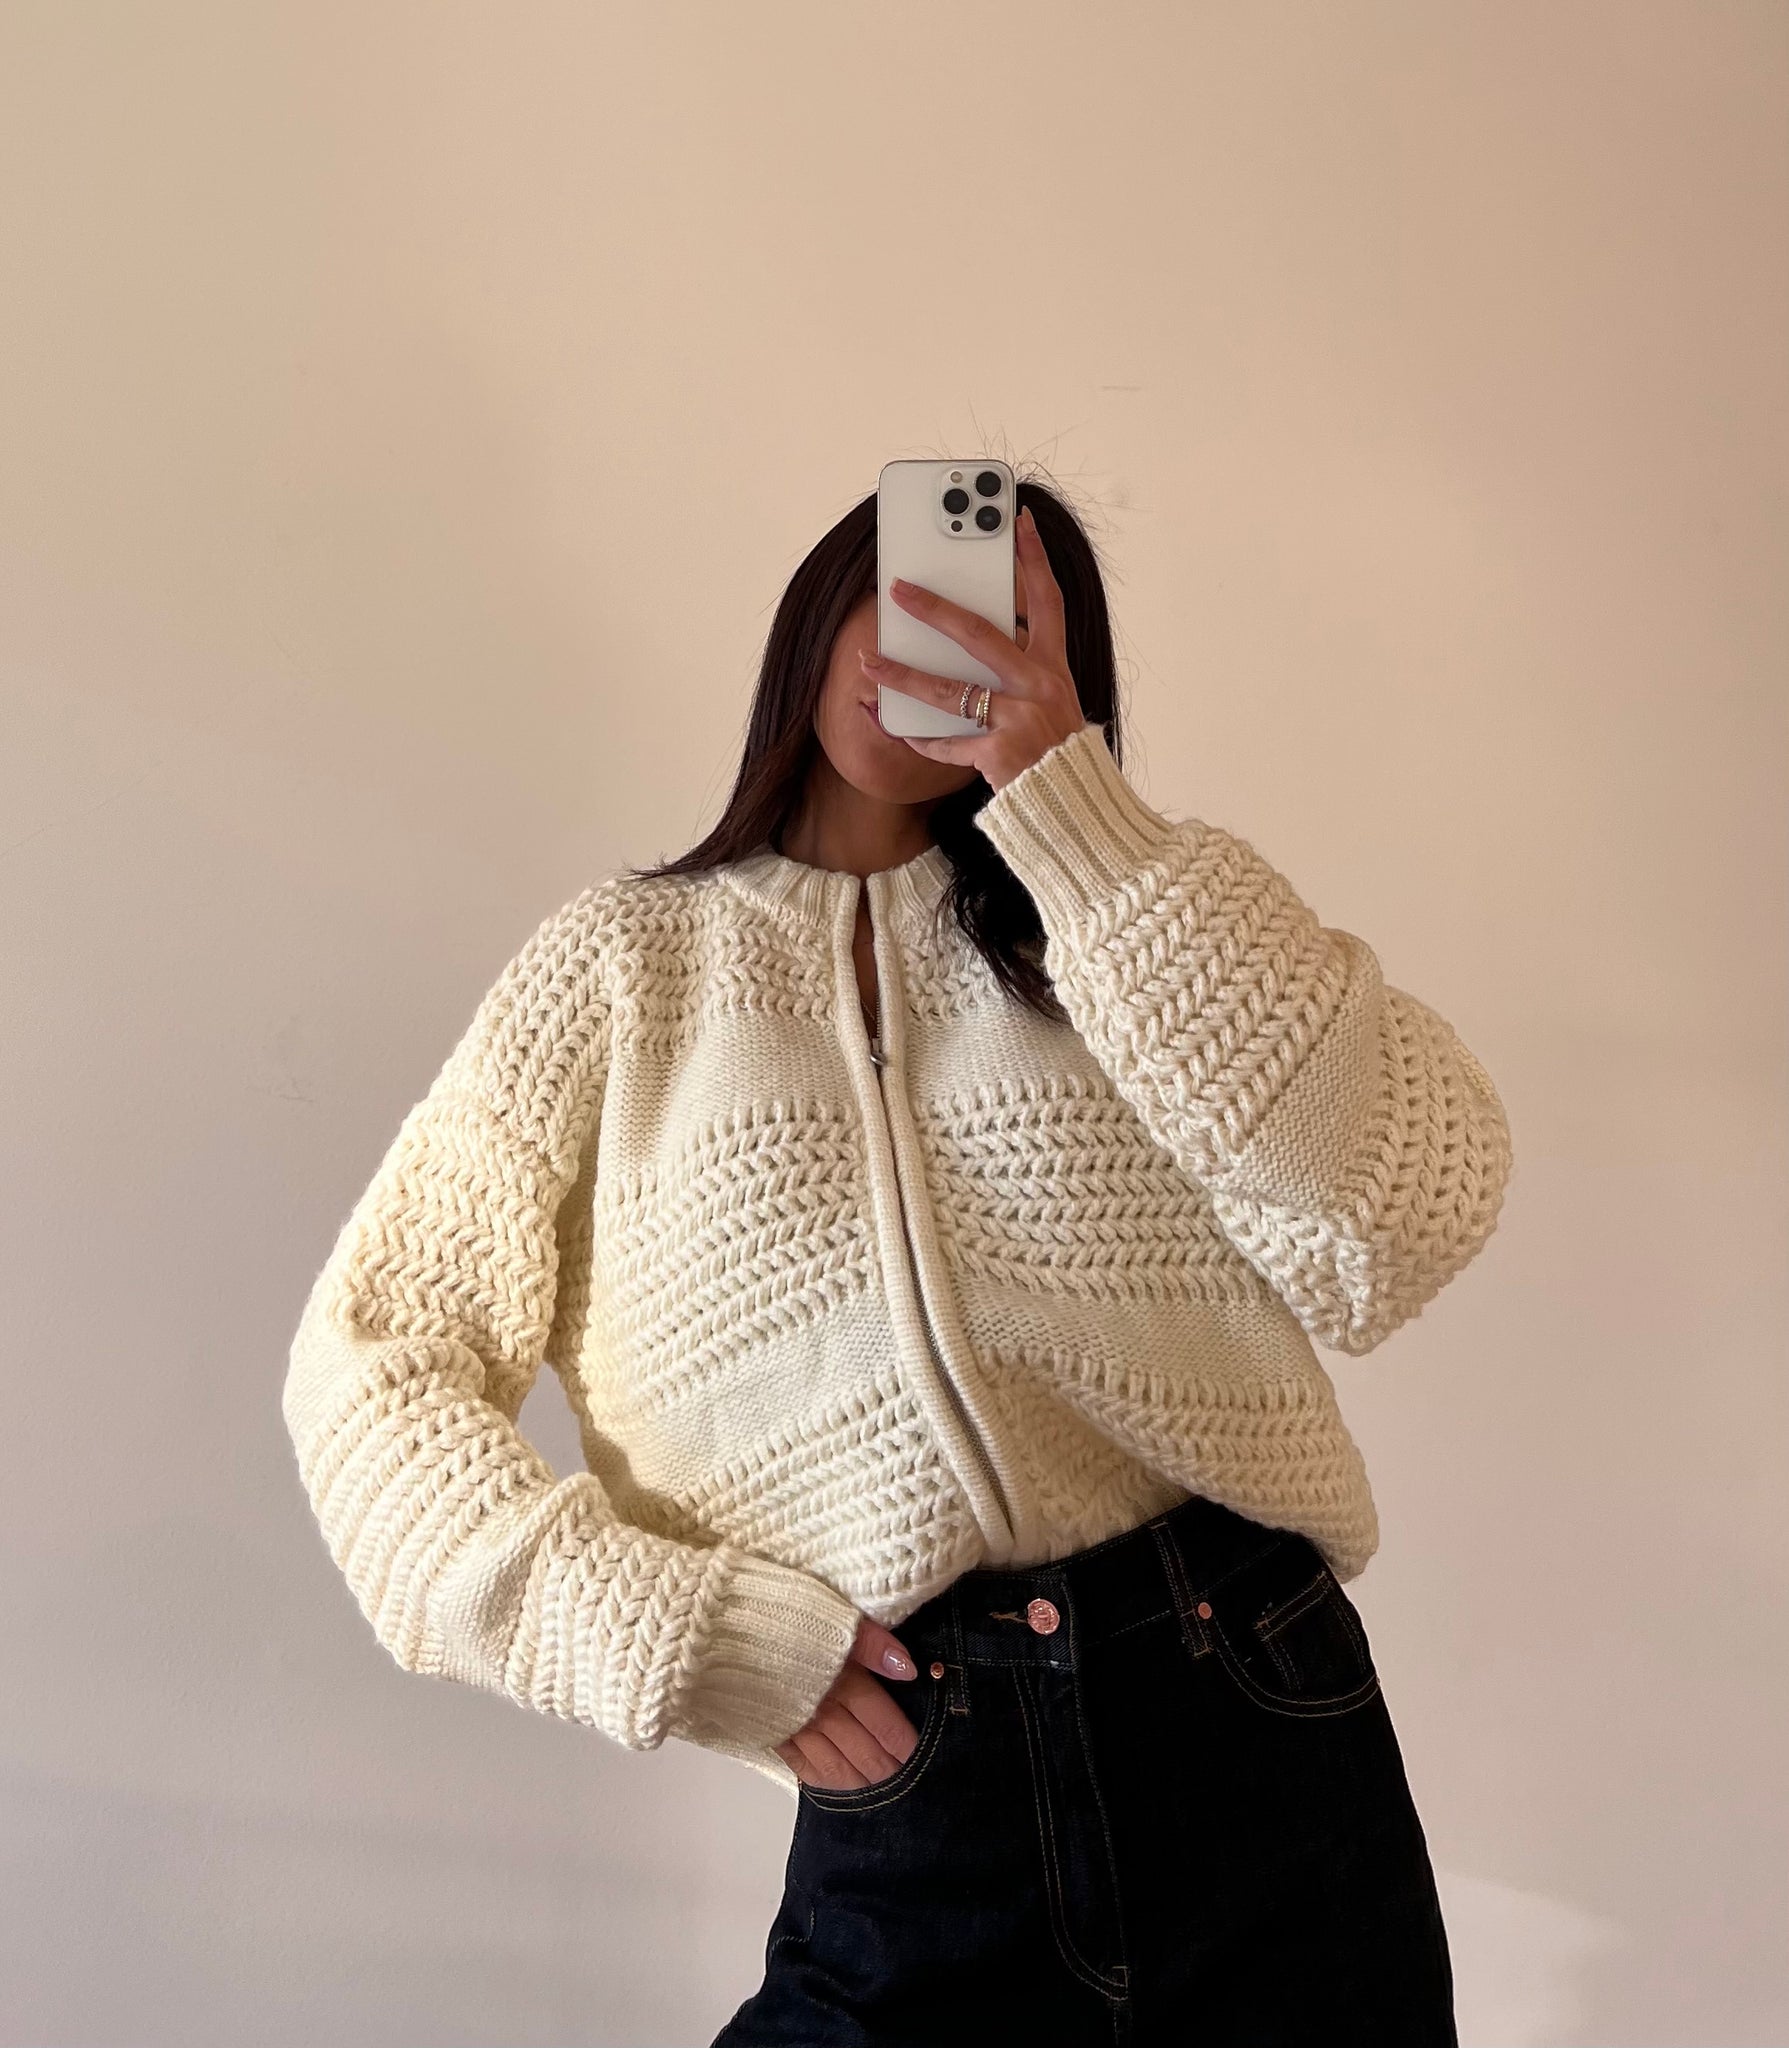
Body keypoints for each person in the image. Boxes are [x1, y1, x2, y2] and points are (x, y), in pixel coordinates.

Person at [282, 473, 1512, 2046]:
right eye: (906, 584)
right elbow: (369, 1373)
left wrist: (1075, 819)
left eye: (1003, 616)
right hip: (914, 1769)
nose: (937, 634)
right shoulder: (617, 971)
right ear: (819, 607)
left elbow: (1401, 1213)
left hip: (1248, 1710)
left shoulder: (1126, 924)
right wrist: (678, 1637)